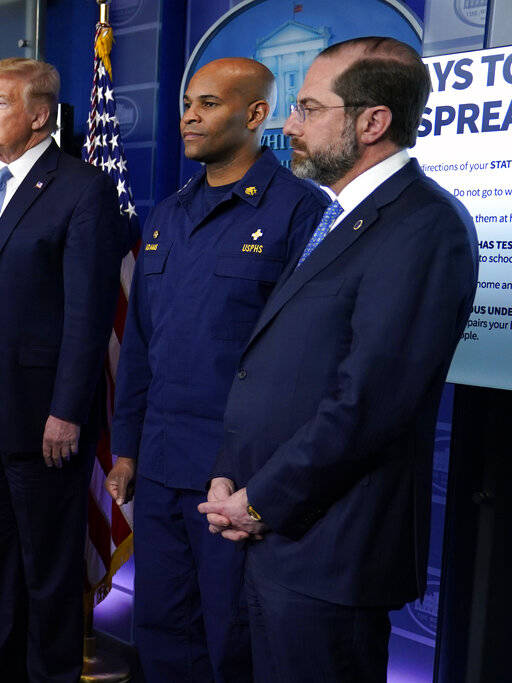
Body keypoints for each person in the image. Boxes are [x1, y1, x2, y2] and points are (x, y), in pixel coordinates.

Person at [198, 37, 478, 682]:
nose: (289, 126)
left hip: (333, 551)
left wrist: (260, 499)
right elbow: (282, 368)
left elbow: (368, 403)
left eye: (308, 109)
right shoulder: (340, 215)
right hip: (277, 535)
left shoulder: (423, 226)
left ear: (372, 122)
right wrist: (230, 475)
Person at [105, 58, 327, 683]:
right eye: (186, 105)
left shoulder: (300, 213)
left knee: (233, 642)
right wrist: (125, 448)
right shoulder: (168, 214)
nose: (188, 118)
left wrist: (264, 481)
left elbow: (303, 364)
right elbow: (143, 344)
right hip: (160, 465)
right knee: (160, 631)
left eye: (208, 104)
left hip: (235, 480)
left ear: (256, 115)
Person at [0, 57, 126, 682]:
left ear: (39, 115)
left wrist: (67, 409)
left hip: (41, 415)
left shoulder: (79, 187)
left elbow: (88, 313)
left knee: (48, 569)